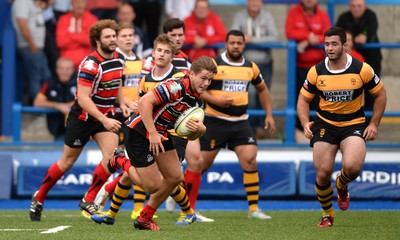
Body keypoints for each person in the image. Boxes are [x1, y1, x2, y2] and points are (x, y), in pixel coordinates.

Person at [94, 55, 217, 230]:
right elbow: (144, 102)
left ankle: (145, 218)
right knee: (151, 186)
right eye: (203, 78)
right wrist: (152, 133)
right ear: (191, 74)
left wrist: (200, 130)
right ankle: (120, 159)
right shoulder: (176, 86)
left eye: (209, 80)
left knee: (175, 177)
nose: (206, 83)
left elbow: (189, 137)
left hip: (159, 132)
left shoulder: (197, 99)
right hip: (138, 130)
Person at [29, 19, 130, 221]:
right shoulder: (90, 64)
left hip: (105, 115)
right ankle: (39, 197)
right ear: (97, 40)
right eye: (108, 37)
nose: (113, 39)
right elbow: (83, 98)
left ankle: (88, 198)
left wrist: (123, 101)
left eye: (114, 36)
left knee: (112, 158)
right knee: (66, 162)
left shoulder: (120, 58)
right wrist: (104, 119)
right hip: (83, 117)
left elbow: (117, 82)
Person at [297, 27, 387, 228]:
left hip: (353, 123)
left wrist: (373, 123)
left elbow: (381, 95)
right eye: (327, 44)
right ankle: (327, 214)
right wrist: (304, 122)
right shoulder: (316, 71)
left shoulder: (361, 69)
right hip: (325, 124)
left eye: (334, 44)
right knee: (322, 172)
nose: (329, 48)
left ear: (344, 45)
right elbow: (303, 100)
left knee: (353, 167)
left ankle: (341, 183)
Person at [200, 30, 276, 220]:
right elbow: (199, 89)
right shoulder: (214, 65)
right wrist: (216, 101)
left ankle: (253, 210)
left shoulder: (251, 67)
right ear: (226, 44)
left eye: (239, 43)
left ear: (244, 45)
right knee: (201, 164)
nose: (235, 46)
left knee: (250, 159)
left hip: (240, 122)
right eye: (232, 42)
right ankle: (179, 194)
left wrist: (269, 114)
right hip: (214, 121)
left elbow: (263, 90)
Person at [231, 0, 278, 139]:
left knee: (263, 95)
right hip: (246, 64)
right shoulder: (239, 16)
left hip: (265, 63)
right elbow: (233, 36)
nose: (254, 3)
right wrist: (244, 40)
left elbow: (274, 37)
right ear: (247, 2)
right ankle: (249, 128)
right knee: (249, 95)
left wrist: (252, 40)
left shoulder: (267, 17)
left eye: (257, 1)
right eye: (251, 0)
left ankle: (260, 128)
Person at [285, 0, 331, 141]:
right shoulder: (293, 12)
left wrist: (314, 39)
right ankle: (301, 133)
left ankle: (319, 133)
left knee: (319, 101)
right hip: (299, 68)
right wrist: (307, 37)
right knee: (300, 100)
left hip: (319, 68)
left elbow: (329, 35)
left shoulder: (322, 15)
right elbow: (289, 32)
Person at [336, 0, 382, 111]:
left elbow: (370, 35)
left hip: (371, 59)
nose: (356, 8)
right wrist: (354, 40)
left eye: (359, 6)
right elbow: (336, 36)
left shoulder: (371, 16)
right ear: (349, 6)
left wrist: (353, 40)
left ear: (364, 6)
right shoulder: (343, 17)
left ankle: (369, 124)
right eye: (353, 6)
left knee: (371, 92)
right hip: (349, 59)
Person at [11, 0, 52, 103]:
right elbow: (22, 23)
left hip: (36, 46)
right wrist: (32, 44)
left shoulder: (32, 3)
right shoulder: (22, 2)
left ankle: (43, 105)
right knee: (36, 77)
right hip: (29, 46)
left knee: (46, 77)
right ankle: (38, 106)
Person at [33, 57, 77, 141]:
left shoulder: (80, 81)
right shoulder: (50, 82)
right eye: (61, 69)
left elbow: (88, 100)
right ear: (57, 70)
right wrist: (57, 106)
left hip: (82, 130)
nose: (64, 72)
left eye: (67, 69)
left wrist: (68, 106)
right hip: (59, 132)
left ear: (72, 70)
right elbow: (37, 102)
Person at [56, 0, 97, 69]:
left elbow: (91, 41)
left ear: (86, 4)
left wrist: (71, 35)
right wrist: (82, 38)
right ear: (71, 4)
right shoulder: (63, 19)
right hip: (66, 64)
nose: (79, 5)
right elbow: (60, 42)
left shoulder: (92, 19)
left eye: (82, 2)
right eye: (76, 2)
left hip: (86, 63)